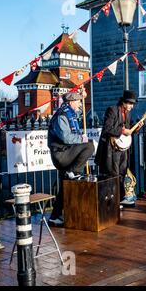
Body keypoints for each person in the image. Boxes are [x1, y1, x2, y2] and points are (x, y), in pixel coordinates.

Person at [48, 91, 94, 226]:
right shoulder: (61, 116)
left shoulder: (69, 114)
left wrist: (83, 96)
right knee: (89, 146)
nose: (80, 104)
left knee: (65, 186)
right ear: (71, 102)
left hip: (66, 152)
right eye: (78, 102)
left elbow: (78, 114)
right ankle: (73, 171)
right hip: (61, 154)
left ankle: (54, 216)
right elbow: (66, 138)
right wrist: (81, 138)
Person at [95, 90, 143, 207]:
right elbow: (107, 128)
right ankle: (112, 201)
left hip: (122, 149)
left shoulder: (128, 113)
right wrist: (122, 130)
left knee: (122, 173)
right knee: (113, 174)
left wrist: (136, 128)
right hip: (111, 149)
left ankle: (121, 199)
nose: (131, 106)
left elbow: (129, 128)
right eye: (130, 103)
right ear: (123, 102)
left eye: (133, 104)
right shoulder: (112, 110)